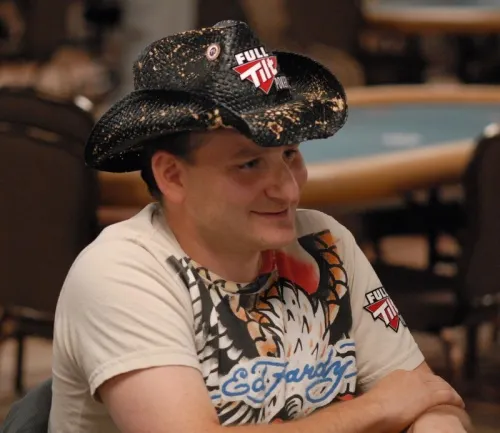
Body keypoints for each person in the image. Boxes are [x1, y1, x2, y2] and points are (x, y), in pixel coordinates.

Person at [48, 20, 472, 433]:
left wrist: (434, 420)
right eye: (249, 164)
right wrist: (377, 409)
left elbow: (427, 397)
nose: (288, 190)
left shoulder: (326, 243)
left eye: (290, 154)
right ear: (172, 176)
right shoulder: (120, 274)